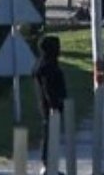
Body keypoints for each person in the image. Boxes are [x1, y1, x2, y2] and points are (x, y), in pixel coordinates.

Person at [34, 35, 66, 175]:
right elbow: (48, 87)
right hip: (51, 107)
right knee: (49, 133)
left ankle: (50, 165)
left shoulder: (45, 64)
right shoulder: (47, 66)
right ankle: (47, 166)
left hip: (51, 106)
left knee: (51, 133)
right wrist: (54, 104)